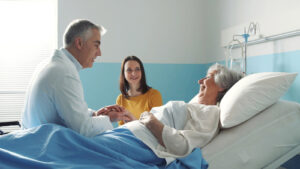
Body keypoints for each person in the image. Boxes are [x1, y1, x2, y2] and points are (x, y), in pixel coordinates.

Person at [1, 63, 243, 168]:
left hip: (140, 145)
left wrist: (148, 119)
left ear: (221, 86)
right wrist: (129, 118)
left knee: (57, 138)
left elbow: (181, 146)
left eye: (208, 77)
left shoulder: (210, 115)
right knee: (56, 137)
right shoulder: (194, 105)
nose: (201, 80)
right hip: (130, 134)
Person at [21, 19, 128, 137]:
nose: (99, 53)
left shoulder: (49, 65)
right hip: (45, 149)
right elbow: (83, 130)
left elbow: (65, 110)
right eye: (96, 45)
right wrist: (107, 118)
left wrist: (94, 115)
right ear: (79, 43)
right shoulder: (64, 73)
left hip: (32, 141)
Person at [116, 56, 163, 125]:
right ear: (123, 74)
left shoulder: (154, 95)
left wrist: (134, 121)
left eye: (137, 69)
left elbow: (158, 126)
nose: (134, 73)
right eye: (129, 70)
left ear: (142, 72)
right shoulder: (120, 99)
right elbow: (121, 128)